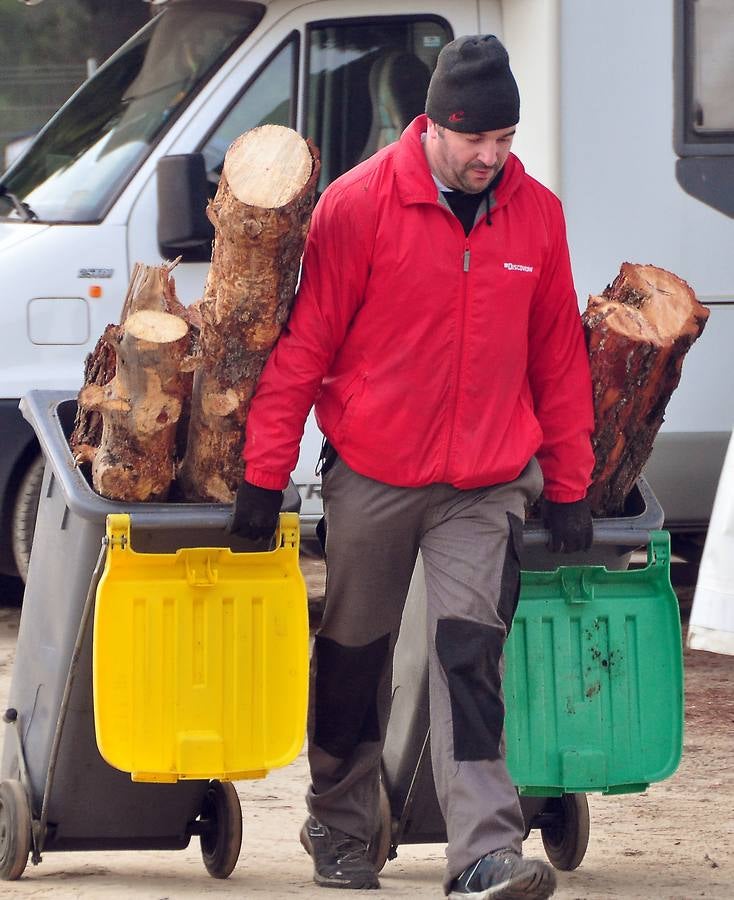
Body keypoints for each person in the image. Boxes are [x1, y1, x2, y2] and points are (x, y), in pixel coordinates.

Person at [230, 34, 594, 900]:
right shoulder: (360, 207)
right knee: (355, 655)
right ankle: (342, 826)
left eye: (505, 142)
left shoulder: (536, 216)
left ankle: (481, 853)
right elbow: (304, 349)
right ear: (432, 124)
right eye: (475, 141)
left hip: (485, 483)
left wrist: (571, 486)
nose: (490, 158)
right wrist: (262, 475)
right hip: (375, 472)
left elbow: (558, 360)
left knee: (470, 656)